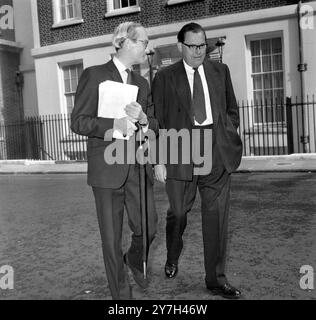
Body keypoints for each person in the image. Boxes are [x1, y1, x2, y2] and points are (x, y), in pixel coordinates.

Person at [152, 22, 243, 299]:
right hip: (181, 151)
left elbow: (231, 109)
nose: (198, 51)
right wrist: (158, 159)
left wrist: (228, 135)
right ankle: (172, 254)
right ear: (180, 46)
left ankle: (216, 280)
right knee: (179, 212)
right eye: (192, 46)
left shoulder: (220, 71)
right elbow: (157, 120)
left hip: (216, 153)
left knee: (216, 219)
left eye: (202, 45)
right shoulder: (165, 77)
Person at [71, 22, 158, 300]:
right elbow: (79, 122)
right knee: (111, 241)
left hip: (136, 167)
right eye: (144, 42)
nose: (148, 47)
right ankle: (122, 299)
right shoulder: (94, 75)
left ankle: (134, 258)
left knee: (149, 226)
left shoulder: (142, 83)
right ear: (126, 42)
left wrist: (145, 120)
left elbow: (154, 123)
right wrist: (115, 124)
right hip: (106, 171)